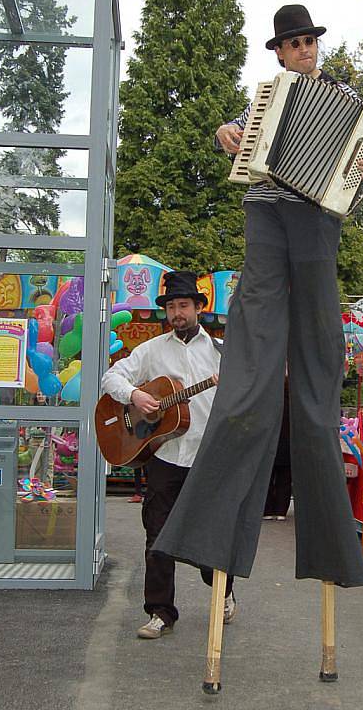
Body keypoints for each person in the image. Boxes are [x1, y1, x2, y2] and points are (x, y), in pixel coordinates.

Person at [155, 5, 363, 589]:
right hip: (265, 215)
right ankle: (211, 532)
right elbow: (231, 138)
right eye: (294, 43)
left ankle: (328, 536)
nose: (305, 50)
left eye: (309, 41)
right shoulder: (262, 100)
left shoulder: (347, 103)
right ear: (279, 52)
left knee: (317, 348)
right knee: (253, 352)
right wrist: (223, 134)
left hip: (315, 222)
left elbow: (362, 171)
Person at [100, 270, 235, 639]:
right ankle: (161, 612)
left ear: (198, 309)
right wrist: (135, 396)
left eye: (184, 306)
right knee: (157, 536)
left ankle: (224, 590)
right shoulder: (151, 351)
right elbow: (111, 378)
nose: (177, 313)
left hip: (208, 456)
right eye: (172, 306)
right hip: (164, 454)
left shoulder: (222, 351)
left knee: (213, 533)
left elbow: (242, 397)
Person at [263, 381, 291, 521]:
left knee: (267, 478)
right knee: (285, 479)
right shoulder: (293, 403)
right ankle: (281, 510)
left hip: (269, 444)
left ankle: (267, 509)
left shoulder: (267, 401)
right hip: (288, 445)